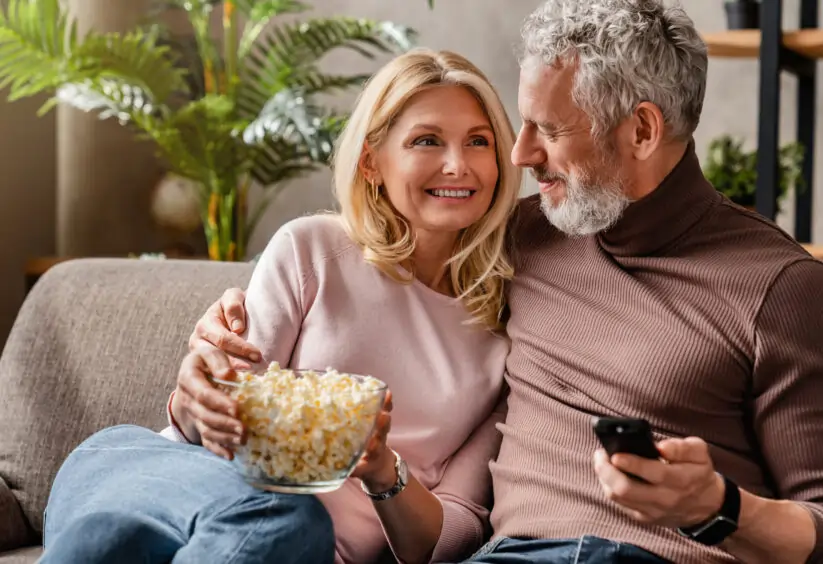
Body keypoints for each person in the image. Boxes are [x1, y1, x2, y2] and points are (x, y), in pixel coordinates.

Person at [192, 1, 823, 563]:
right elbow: (387, 240)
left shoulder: (780, 288)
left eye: (549, 130)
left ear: (642, 130)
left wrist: (721, 507)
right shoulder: (523, 235)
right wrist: (212, 355)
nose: (519, 154)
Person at [41, 48, 523, 564]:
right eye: (427, 140)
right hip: (148, 474)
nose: (459, 165)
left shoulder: (506, 328)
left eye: (479, 142)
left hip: (280, 543)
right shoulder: (313, 250)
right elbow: (206, 427)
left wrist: (381, 465)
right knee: (268, 517)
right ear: (370, 162)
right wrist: (197, 396)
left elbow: (449, 536)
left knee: (263, 527)